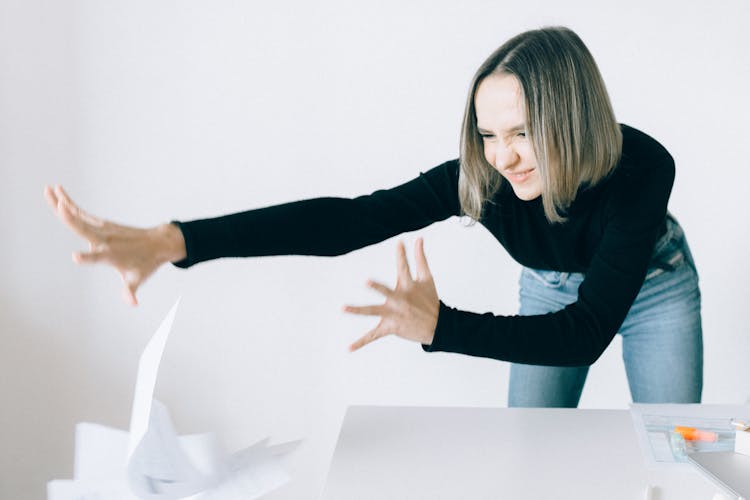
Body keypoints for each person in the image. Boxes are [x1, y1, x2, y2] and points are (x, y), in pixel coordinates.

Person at [44, 26, 702, 407]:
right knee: (529, 448)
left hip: (655, 284)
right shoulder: (482, 179)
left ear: (570, 116)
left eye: (523, 132)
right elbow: (345, 222)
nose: (503, 156)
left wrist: (443, 326)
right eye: (488, 134)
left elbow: (585, 332)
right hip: (549, 285)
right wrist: (177, 239)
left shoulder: (643, 168)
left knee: (673, 454)